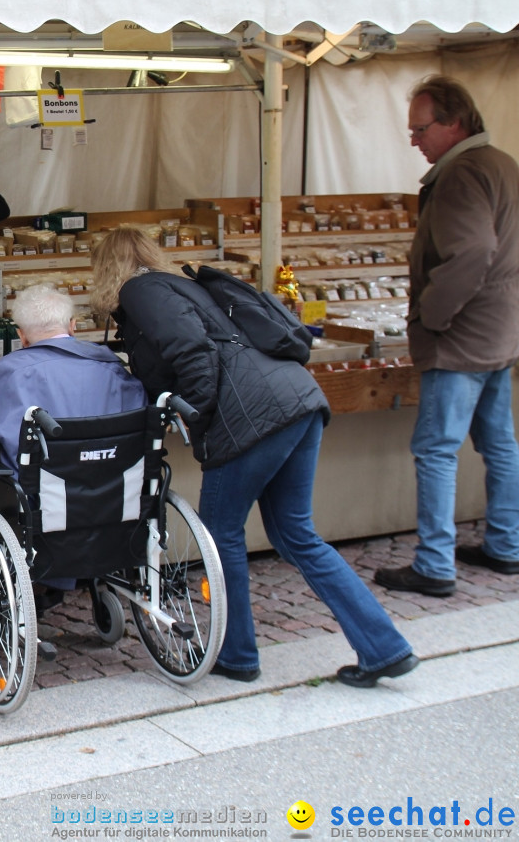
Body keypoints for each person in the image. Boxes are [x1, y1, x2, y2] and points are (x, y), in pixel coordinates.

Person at [90, 227, 418, 688]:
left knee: (221, 535)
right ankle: (384, 647)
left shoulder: (140, 290)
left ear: (105, 268)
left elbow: (193, 351)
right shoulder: (183, 284)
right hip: (297, 401)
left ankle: (238, 654)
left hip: (251, 419)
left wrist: (198, 415)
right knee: (298, 535)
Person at [0, 284, 145, 656]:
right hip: (113, 497)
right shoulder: (111, 367)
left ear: (21, 334)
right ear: (74, 325)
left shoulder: (10, 372)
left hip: (38, 505)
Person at [374, 76, 519, 597]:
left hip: (460, 339)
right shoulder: (502, 163)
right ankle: (507, 544)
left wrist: (433, 316)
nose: (414, 140)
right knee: (499, 443)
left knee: (436, 449)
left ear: (454, 122)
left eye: (420, 129)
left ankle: (435, 564)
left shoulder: (460, 174)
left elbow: (472, 252)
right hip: (498, 332)